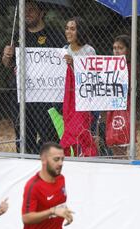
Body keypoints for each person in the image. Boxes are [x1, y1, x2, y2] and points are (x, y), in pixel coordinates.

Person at [2, 0, 65, 154]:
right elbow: (7, 64)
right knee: (23, 135)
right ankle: (24, 160)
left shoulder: (55, 35)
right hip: (22, 94)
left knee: (48, 135)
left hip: (45, 95)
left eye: (31, 10)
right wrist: (6, 56)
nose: (27, 13)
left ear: (41, 13)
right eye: (24, 10)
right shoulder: (18, 36)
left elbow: (61, 63)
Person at [61, 17, 98, 157]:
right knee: (70, 133)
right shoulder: (64, 50)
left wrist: (75, 64)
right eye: (67, 28)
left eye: (72, 28)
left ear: (79, 31)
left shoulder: (89, 50)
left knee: (84, 133)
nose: (68, 31)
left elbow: (92, 77)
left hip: (85, 101)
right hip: (69, 100)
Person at [105, 35, 131, 158]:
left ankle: (123, 167)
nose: (116, 51)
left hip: (124, 109)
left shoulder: (130, 67)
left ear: (128, 51)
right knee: (113, 144)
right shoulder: (108, 67)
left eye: (120, 48)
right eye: (114, 48)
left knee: (122, 145)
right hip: (111, 108)